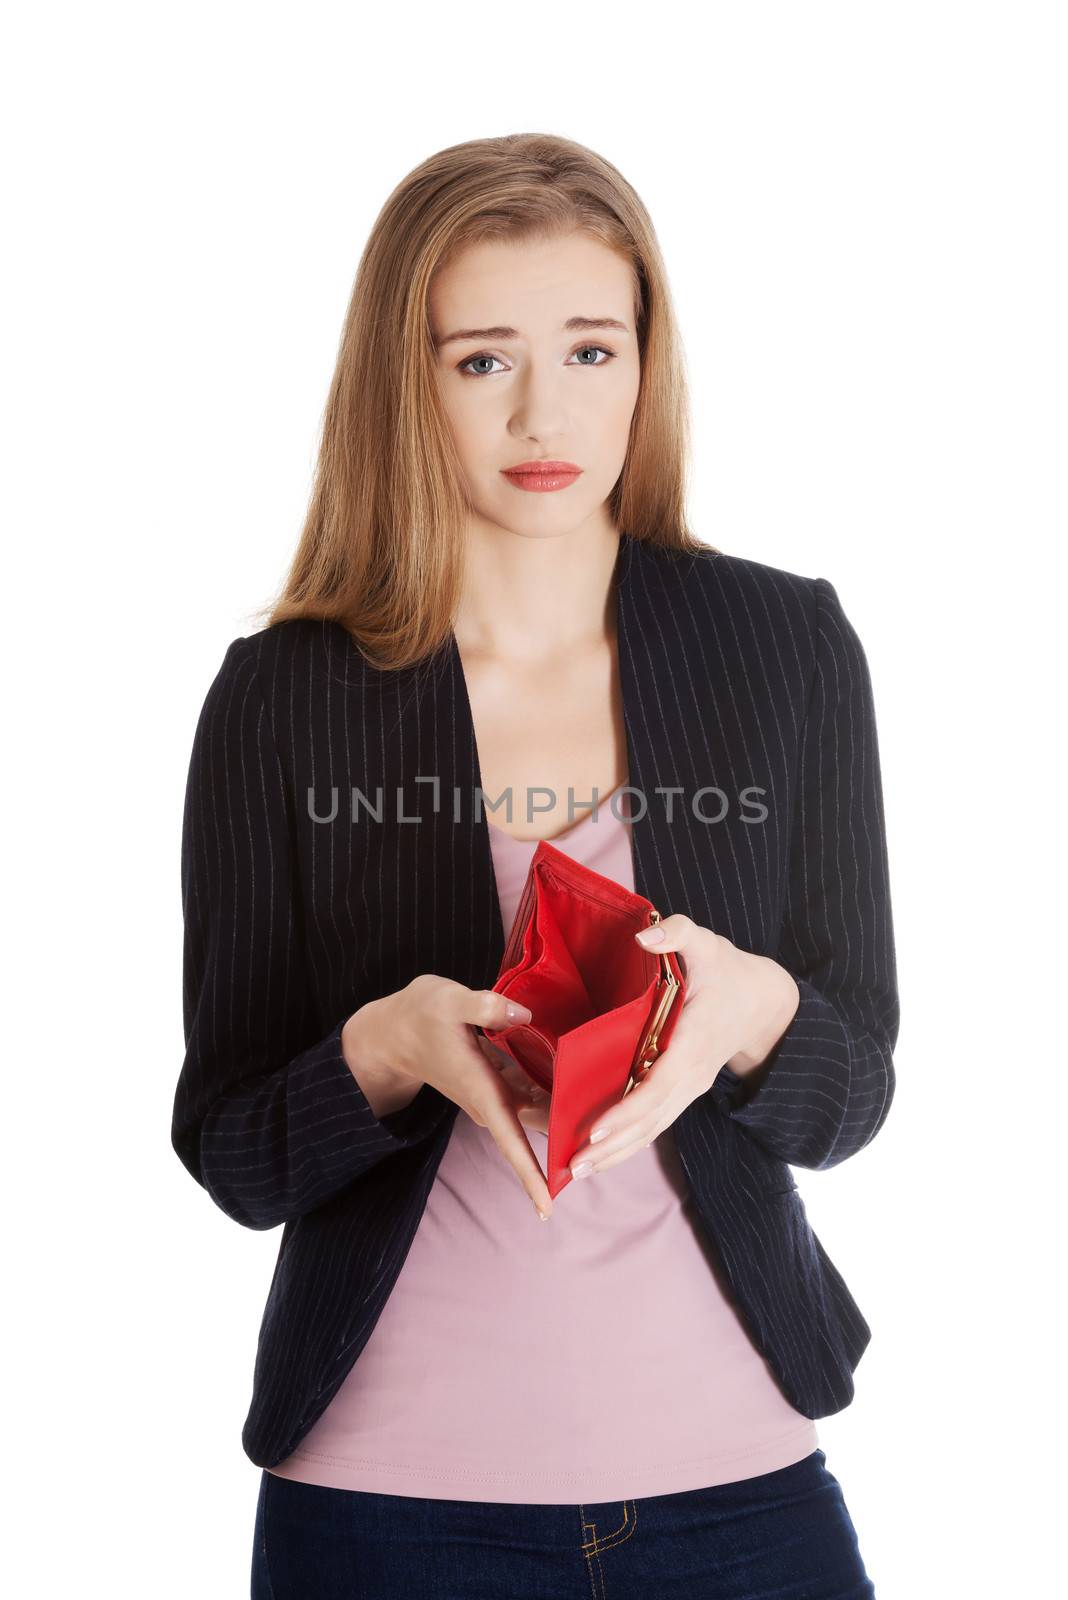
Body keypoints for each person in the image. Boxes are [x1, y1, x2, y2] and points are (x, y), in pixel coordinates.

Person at [171, 132, 897, 1599]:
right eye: (482, 361)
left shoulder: (785, 649)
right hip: (385, 1513)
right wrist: (388, 1048)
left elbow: (855, 1093)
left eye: (590, 348)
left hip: (737, 1492)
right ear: (409, 383)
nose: (544, 412)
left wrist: (749, 1011)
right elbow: (234, 1151)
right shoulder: (287, 695)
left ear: (648, 362)